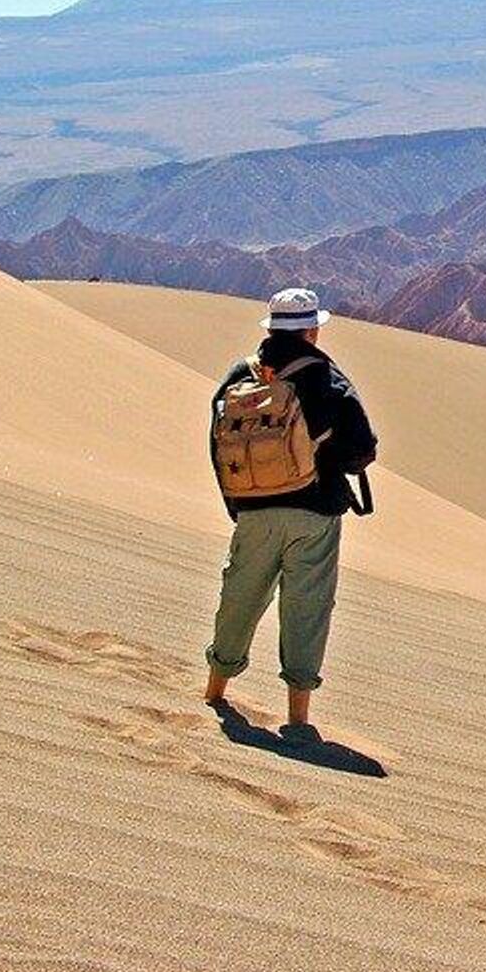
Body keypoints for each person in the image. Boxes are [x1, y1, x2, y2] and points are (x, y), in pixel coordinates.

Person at [203, 287, 377, 733]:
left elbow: (218, 442)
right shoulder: (327, 378)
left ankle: (215, 690)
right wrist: (323, 460)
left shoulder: (243, 374)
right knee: (306, 608)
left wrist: (240, 503)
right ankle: (297, 716)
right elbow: (362, 448)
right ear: (312, 331)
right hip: (314, 515)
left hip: (253, 511)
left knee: (239, 597)